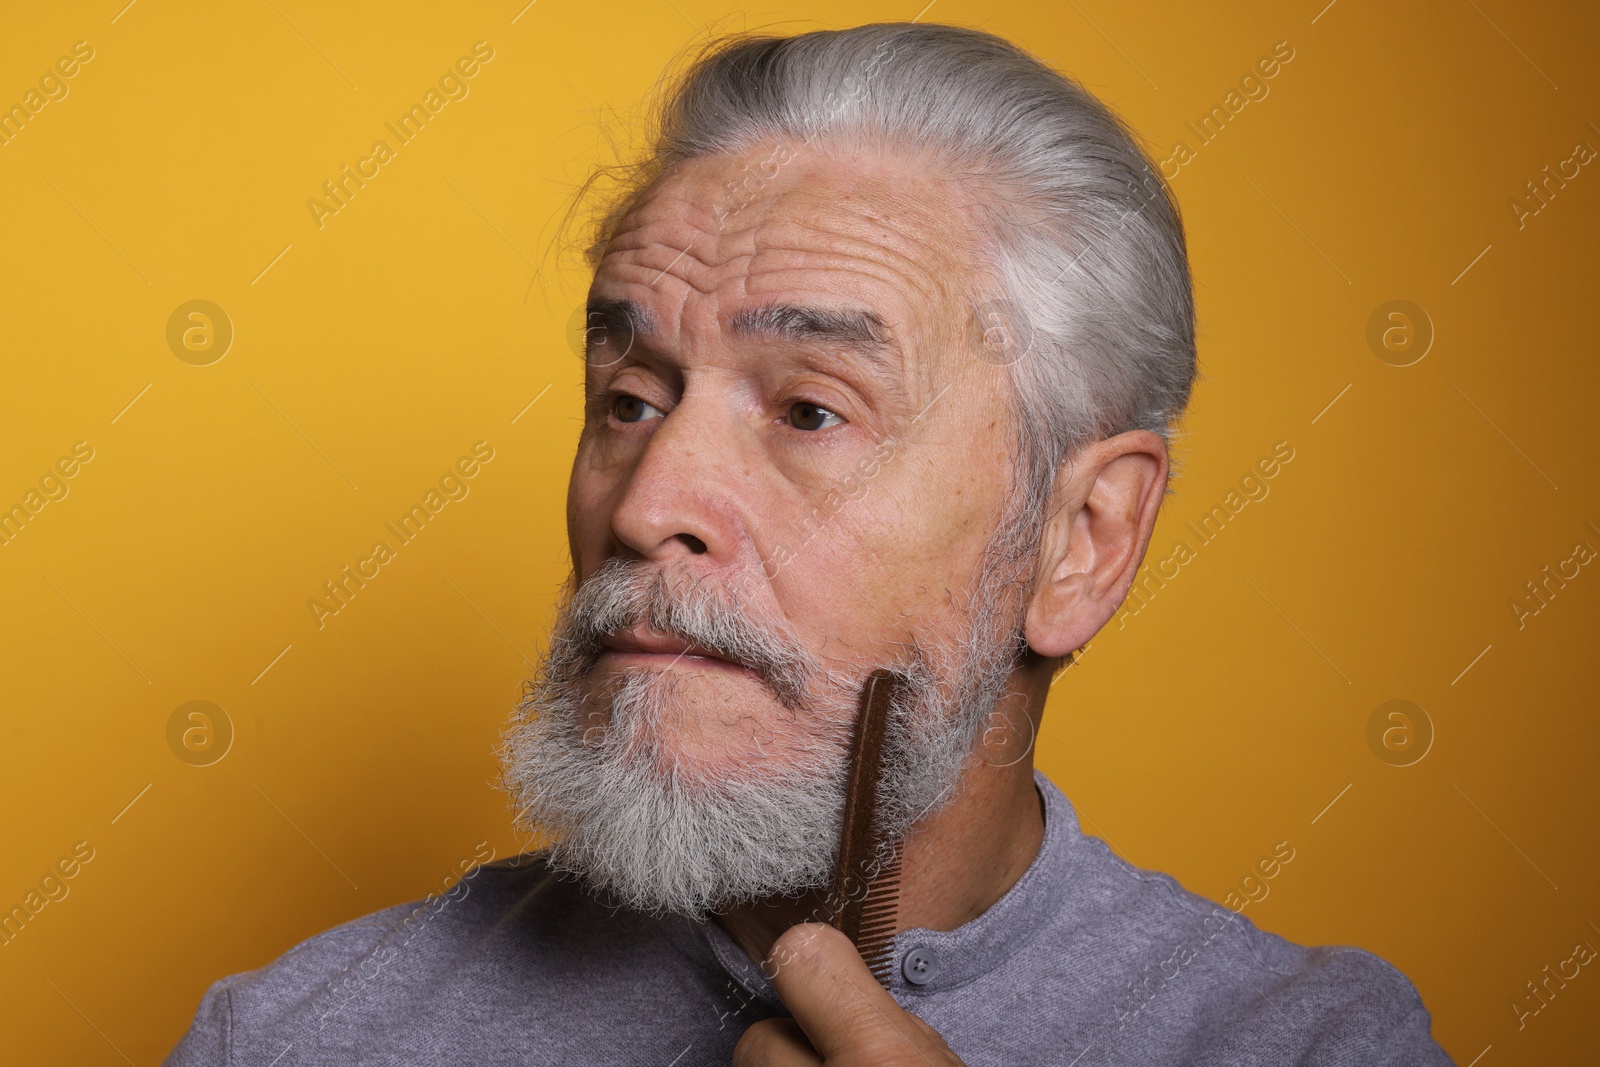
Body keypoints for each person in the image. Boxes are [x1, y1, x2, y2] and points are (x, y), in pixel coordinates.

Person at [165, 22, 1453, 1066]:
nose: (645, 503)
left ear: (1079, 541)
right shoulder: (292, 1040)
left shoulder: (1313, 1048)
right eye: (630, 399)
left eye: (811, 408)